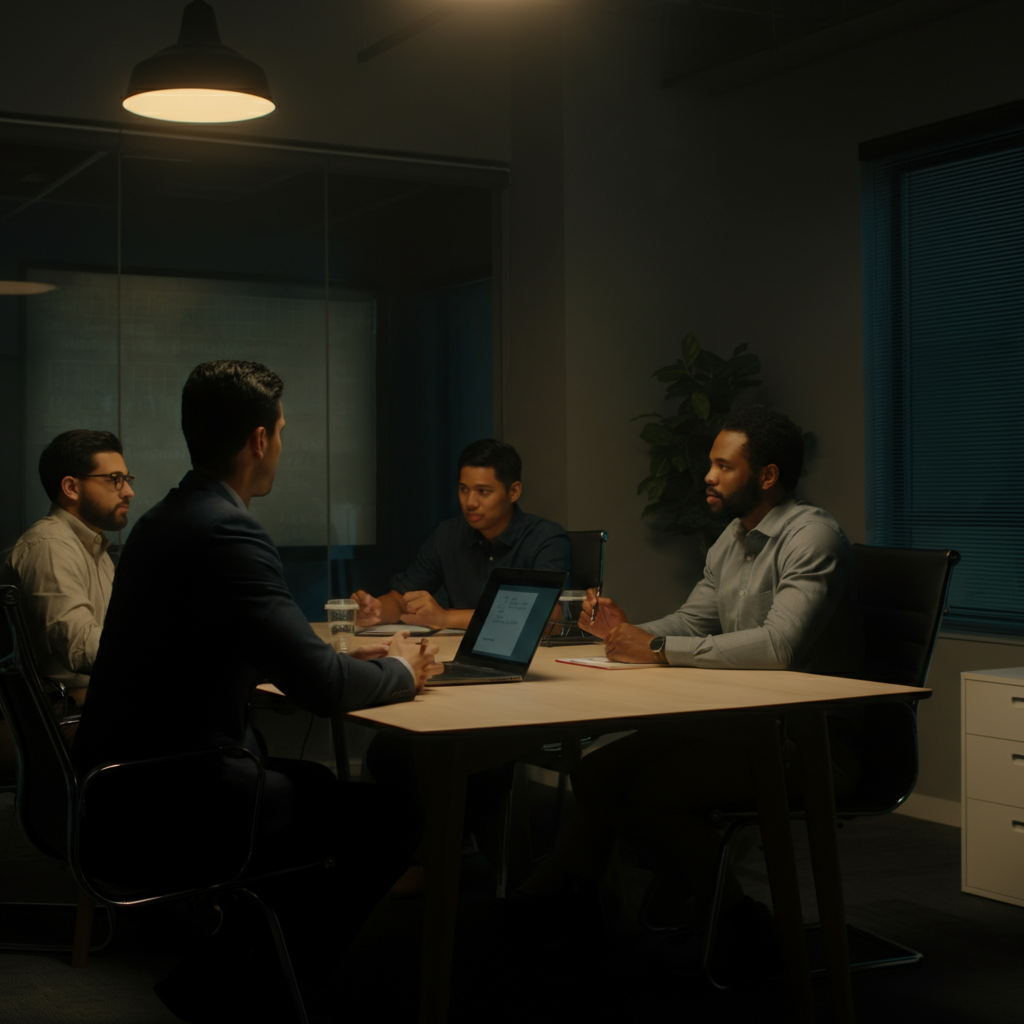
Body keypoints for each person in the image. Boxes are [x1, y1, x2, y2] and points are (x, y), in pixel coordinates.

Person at [72, 360, 441, 1022]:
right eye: (283, 430)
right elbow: (323, 687)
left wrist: (335, 654)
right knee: (388, 818)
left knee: (321, 790)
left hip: (125, 782)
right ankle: (252, 982)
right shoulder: (227, 529)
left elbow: (222, 641)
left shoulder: (169, 518)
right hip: (176, 795)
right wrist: (405, 671)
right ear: (260, 440)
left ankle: (236, 964)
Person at [520, 406, 862, 962]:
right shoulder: (732, 537)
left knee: (657, 789)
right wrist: (626, 634)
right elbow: (693, 620)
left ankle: (735, 917)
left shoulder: (812, 537)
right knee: (600, 769)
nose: (708, 476)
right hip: (743, 722)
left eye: (723, 466)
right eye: (711, 464)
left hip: (811, 738)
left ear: (767, 476)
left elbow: (778, 648)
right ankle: (576, 899)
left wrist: (654, 651)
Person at [0, 430, 133, 773]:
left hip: (89, 708)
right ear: (71, 488)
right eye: (114, 479)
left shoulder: (97, 550)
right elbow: (80, 648)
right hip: (59, 718)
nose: (129, 491)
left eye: (127, 479)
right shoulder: (50, 546)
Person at [352, 438, 571, 630]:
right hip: (459, 652)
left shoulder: (545, 538)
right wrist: (375, 610)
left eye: (483, 492)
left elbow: (549, 619)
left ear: (514, 491)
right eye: (463, 489)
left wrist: (446, 618)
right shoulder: (448, 535)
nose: (470, 502)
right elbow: (402, 600)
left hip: (529, 660)